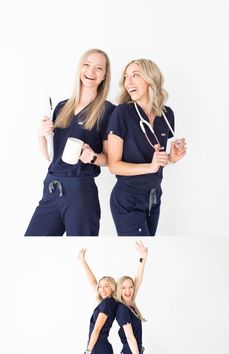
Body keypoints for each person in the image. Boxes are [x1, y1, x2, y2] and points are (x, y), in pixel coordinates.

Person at [25, 48, 115, 236]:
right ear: (80, 68)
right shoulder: (61, 107)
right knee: (34, 242)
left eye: (99, 68)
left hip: (80, 191)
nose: (91, 72)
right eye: (87, 65)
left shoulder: (109, 111)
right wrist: (40, 135)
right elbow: (50, 155)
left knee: (82, 249)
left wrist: (93, 157)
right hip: (52, 187)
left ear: (105, 75)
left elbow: (110, 160)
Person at [107, 58, 187, 236]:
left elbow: (158, 158)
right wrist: (150, 167)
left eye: (135, 75)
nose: (128, 82)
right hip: (128, 199)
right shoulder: (121, 113)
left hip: (154, 196)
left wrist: (171, 158)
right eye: (126, 77)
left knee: (150, 249)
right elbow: (114, 165)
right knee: (139, 249)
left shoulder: (167, 115)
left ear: (151, 78)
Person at [78, 248, 117, 354]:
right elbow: (93, 281)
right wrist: (83, 261)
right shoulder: (109, 301)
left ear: (112, 288)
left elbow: (97, 329)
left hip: (99, 348)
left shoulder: (107, 303)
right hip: (97, 347)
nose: (102, 289)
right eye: (100, 286)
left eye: (106, 286)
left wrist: (88, 350)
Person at [116, 240, 147, 354]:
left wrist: (143, 257)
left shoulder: (130, 304)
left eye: (130, 287)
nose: (128, 291)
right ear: (119, 290)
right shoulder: (122, 309)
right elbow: (129, 337)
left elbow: (138, 279)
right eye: (123, 288)